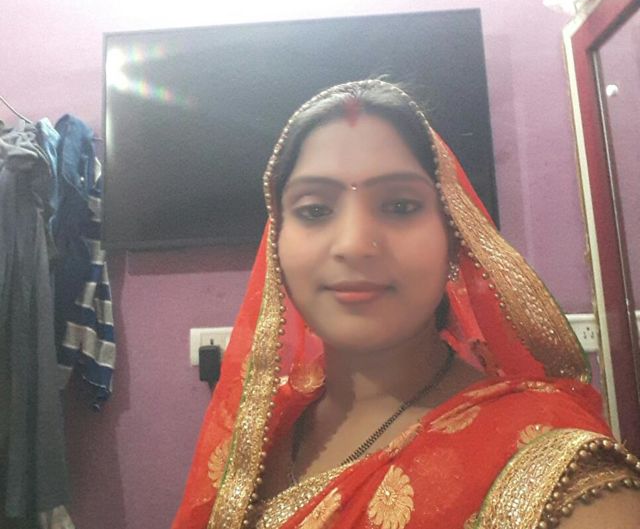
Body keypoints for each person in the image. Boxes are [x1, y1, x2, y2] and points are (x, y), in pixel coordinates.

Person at [171, 80, 640, 529]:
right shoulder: (262, 433)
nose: (354, 244)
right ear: (276, 245)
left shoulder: (554, 475)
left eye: (400, 206)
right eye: (314, 210)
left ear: (454, 240)